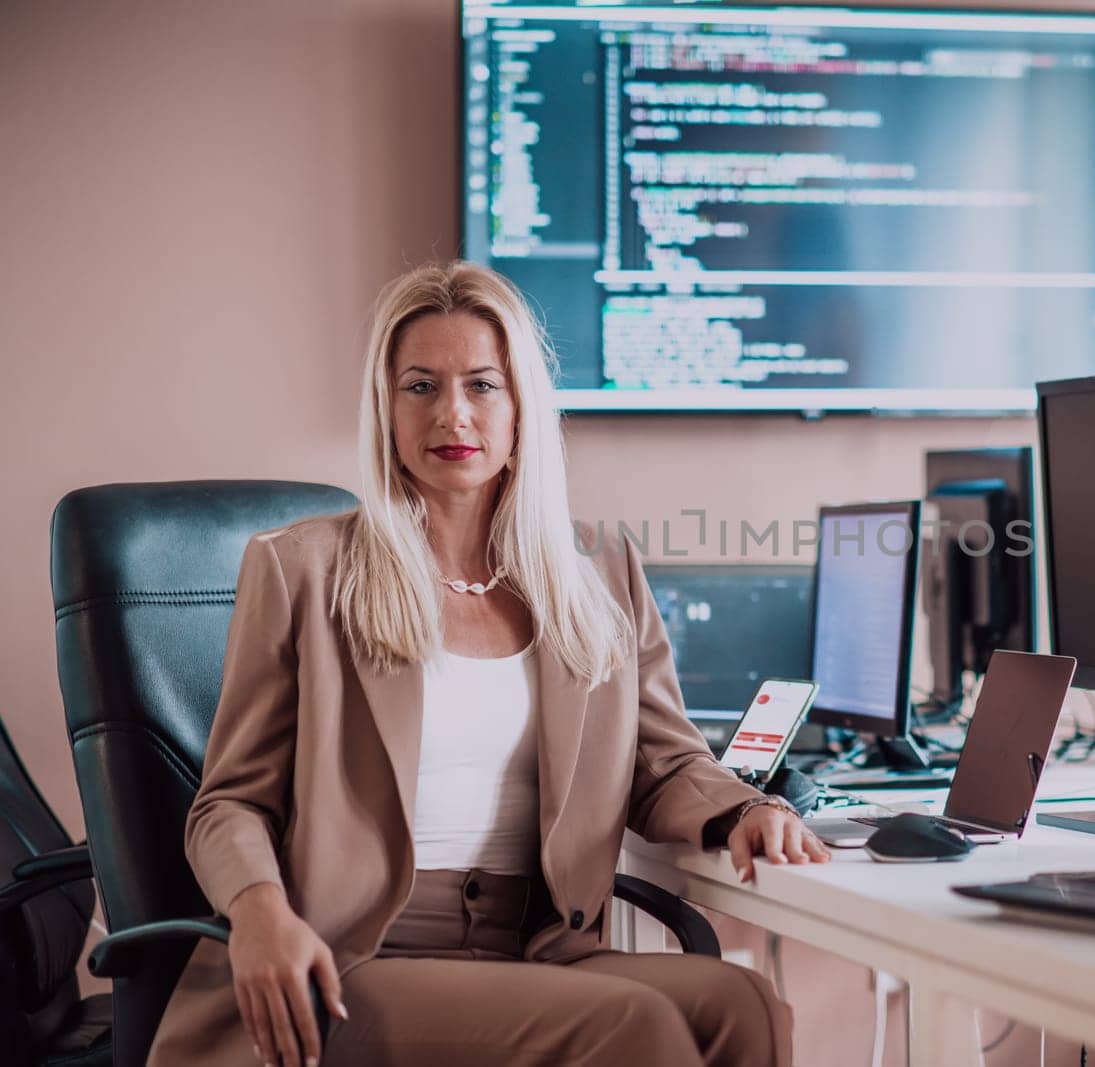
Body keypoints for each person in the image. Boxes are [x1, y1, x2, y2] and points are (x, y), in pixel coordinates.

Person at [148, 261, 829, 1067]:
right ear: (385, 409)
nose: (454, 414)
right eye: (421, 386)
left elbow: (664, 761)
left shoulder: (597, 574)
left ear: (521, 410)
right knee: (631, 1029)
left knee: (740, 1003)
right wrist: (260, 913)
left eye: (482, 384)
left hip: (534, 941)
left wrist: (744, 810)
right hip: (353, 955)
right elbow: (228, 804)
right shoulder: (303, 570)